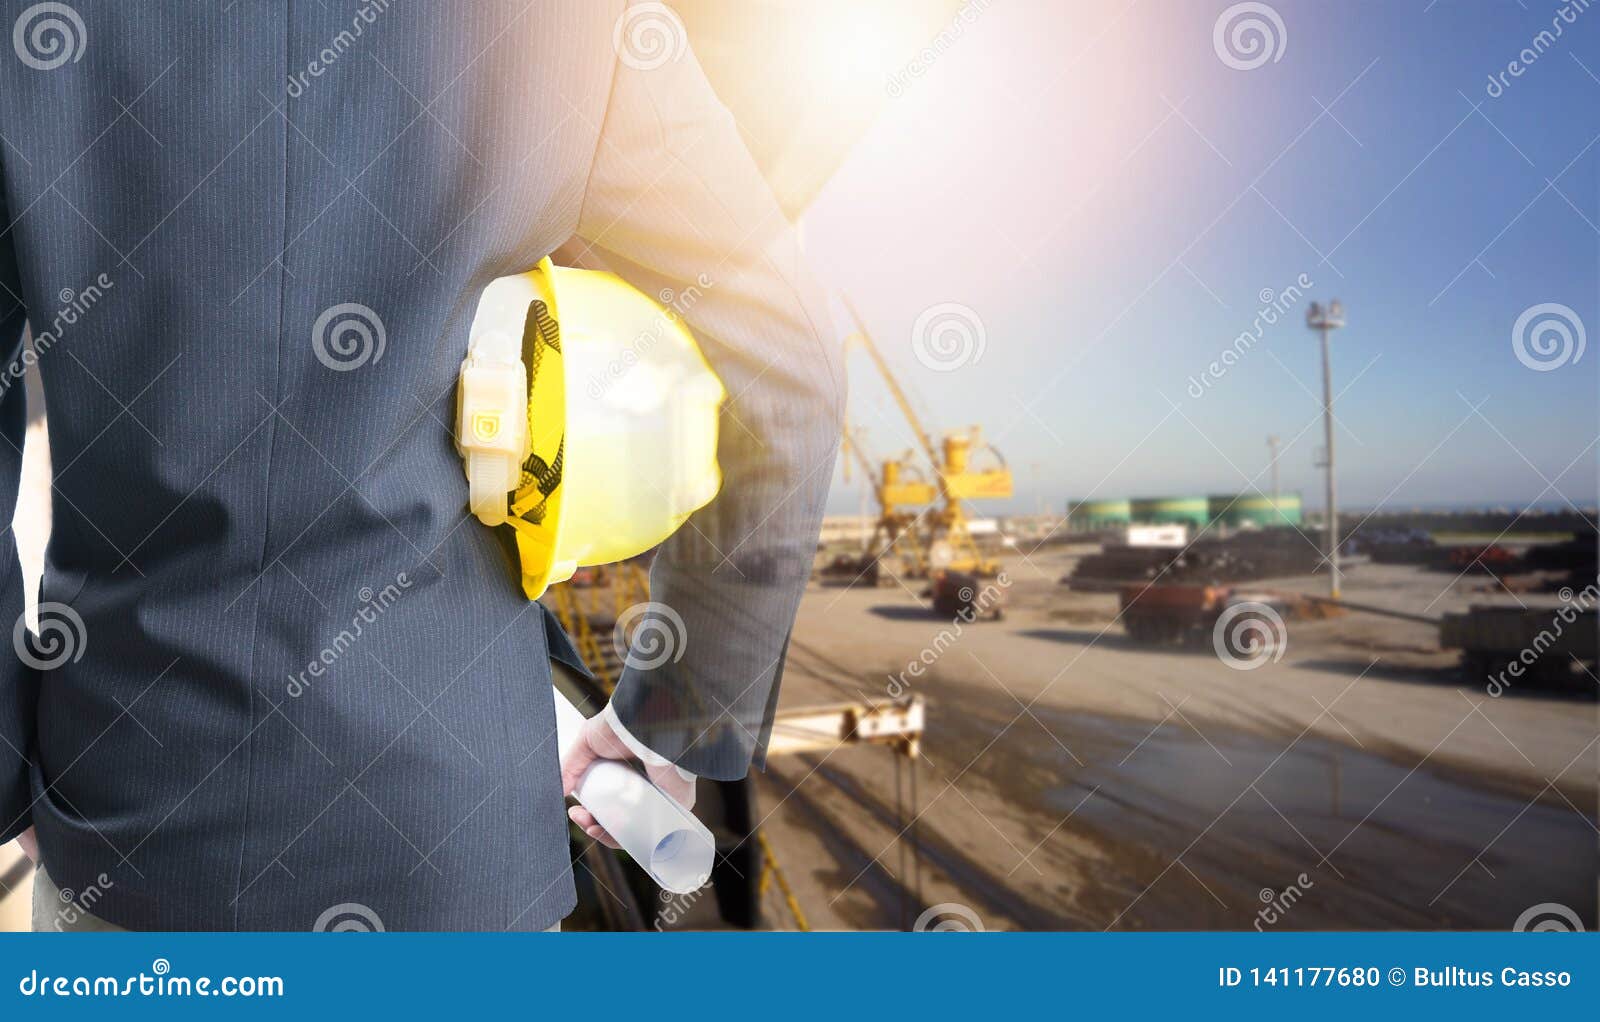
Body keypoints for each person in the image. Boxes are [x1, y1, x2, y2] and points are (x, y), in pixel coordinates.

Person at [0, 0, 841, 931]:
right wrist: (678, 708)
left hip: (132, 819)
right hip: (455, 845)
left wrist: (8, 778)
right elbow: (787, 366)